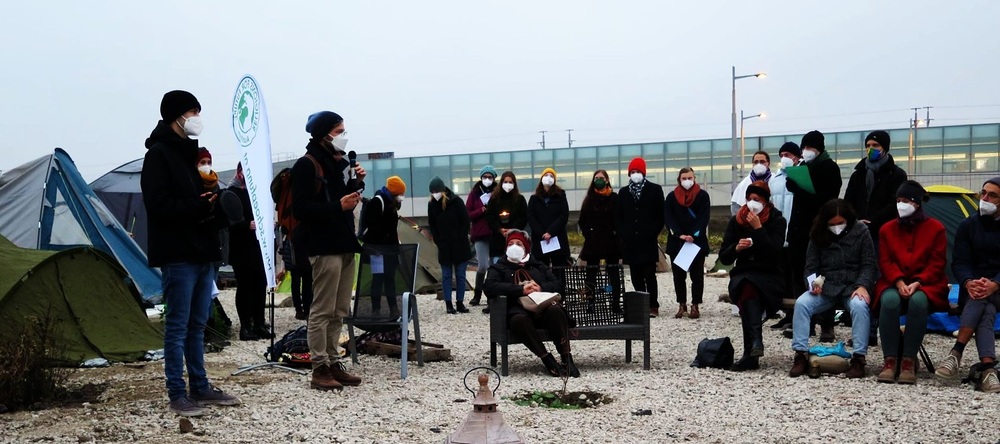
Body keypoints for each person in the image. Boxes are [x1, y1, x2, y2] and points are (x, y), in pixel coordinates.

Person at [141, 90, 240, 416]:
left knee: (198, 324)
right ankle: (177, 392)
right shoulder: (158, 155)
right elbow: (157, 204)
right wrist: (197, 206)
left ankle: (200, 386)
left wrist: (215, 202)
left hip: (203, 250)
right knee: (178, 325)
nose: (197, 118)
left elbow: (202, 196)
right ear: (176, 116)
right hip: (177, 252)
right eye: (193, 112)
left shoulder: (195, 154)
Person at [291, 110, 366, 391]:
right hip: (323, 245)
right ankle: (319, 366)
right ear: (324, 134)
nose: (343, 137)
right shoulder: (307, 165)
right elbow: (301, 209)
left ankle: (334, 361)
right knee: (322, 309)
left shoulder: (339, 163)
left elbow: (342, 198)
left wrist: (356, 184)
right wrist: (338, 206)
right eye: (339, 131)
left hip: (345, 242)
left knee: (339, 309)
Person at [789, 199, 877, 379]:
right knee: (802, 304)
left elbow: (869, 264)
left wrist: (863, 285)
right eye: (832, 224)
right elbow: (810, 266)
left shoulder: (862, 232)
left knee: (860, 307)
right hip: (826, 287)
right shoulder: (817, 233)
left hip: (853, 286)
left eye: (840, 223)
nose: (836, 227)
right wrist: (813, 284)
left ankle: (859, 358)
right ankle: (800, 354)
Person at [874, 181, 948, 384]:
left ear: (916, 203)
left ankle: (908, 359)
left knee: (919, 302)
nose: (900, 205)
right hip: (892, 282)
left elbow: (937, 263)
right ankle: (890, 360)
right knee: (888, 301)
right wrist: (898, 281)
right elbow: (885, 261)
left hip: (927, 284)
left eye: (905, 201)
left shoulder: (936, 229)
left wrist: (918, 282)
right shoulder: (887, 229)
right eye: (898, 201)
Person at [934, 177, 1000, 392]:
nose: (985, 199)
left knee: (982, 299)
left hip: (998, 288)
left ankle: (956, 352)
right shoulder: (968, 225)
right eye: (983, 193)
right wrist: (969, 282)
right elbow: (959, 262)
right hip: (973, 288)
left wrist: (995, 283)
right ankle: (988, 368)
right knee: (985, 306)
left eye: (992, 195)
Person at [482, 230, 579, 377]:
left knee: (556, 310)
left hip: (543, 309)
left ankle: (567, 358)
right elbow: (490, 287)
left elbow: (558, 285)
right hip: (517, 311)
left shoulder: (538, 265)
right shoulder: (499, 267)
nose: (514, 246)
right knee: (519, 320)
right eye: (511, 244)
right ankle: (547, 360)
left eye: (519, 243)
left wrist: (541, 287)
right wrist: (520, 290)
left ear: (526, 247)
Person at [719, 181, 787, 371]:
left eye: (756, 200)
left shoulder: (777, 220)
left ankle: (751, 351)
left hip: (769, 273)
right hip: (743, 272)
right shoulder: (737, 220)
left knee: (748, 288)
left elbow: (774, 252)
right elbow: (724, 257)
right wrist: (736, 248)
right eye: (748, 199)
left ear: (765, 201)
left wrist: (758, 229)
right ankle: (755, 343)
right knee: (746, 285)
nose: (751, 203)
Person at [785, 130, 842, 342]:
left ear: (819, 149)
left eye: (810, 148)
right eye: (804, 148)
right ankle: (804, 323)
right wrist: (793, 182)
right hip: (799, 230)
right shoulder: (802, 167)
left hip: (819, 229)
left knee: (821, 276)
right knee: (800, 275)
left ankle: (827, 324)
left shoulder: (830, 168)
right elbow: (795, 190)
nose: (806, 152)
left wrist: (802, 189)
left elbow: (828, 197)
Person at [227, 163, 273, 341]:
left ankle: (259, 323)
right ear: (239, 172)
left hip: (259, 247)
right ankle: (245, 326)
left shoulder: (259, 192)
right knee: (245, 287)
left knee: (260, 286)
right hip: (241, 248)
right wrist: (247, 224)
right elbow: (229, 222)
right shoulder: (232, 192)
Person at [615, 157, 664, 317]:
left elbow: (660, 215)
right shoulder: (623, 192)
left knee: (650, 274)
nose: (635, 174)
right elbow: (619, 217)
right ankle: (642, 304)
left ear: (644, 172)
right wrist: (624, 234)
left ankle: (653, 305)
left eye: (638, 171)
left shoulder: (655, 190)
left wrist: (653, 231)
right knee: (635, 275)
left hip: (648, 240)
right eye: (633, 172)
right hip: (630, 242)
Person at [844, 130, 908, 253]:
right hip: (858, 231)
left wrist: (872, 221)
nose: (870, 149)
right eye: (868, 146)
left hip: (884, 231)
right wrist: (857, 221)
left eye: (875, 145)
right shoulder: (858, 174)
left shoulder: (896, 174)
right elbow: (848, 202)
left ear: (885, 148)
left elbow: (894, 203)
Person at [664, 168, 710, 319]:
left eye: (689, 177)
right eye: (684, 178)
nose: (687, 181)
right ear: (679, 179)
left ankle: (695, 305)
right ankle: (681, 304)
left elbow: (704, 217)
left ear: (694, 178)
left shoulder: (703, 196)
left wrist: (693, 234)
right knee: (678, 276)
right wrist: (679, 234)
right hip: (678, 242)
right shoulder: (671, 197)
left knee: (697, 276)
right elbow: (669, 218)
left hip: (696, 242)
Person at [360, 176, 406, 318]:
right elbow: (373, 226)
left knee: (389, 278)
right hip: (378, 251)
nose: (401, 197)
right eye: (400, 194)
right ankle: (376, 309)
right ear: (394, 192)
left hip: (390, 250)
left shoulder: (390, 203)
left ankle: (393, 308)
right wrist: (381, 243)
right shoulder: (378, 202)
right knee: (378, 279)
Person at [428, 176, 474, 314]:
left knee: (460, 275)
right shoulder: (431, 205)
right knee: (446, 276)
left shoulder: (456, 201)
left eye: (436, 190)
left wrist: (461, 236)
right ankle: (448, 303)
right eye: (432, 191)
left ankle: (460, 302)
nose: (434, 193)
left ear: (443, 190)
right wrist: (437, 239)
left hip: (459, 245)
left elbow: (465, 220)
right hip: (444, 245)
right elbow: (432, 224)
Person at [578, 170, 622, 310]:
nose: (598, 180)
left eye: (601, 178)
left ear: (607, 180)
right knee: (591, 274)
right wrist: (588, 233)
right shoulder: (589, 198)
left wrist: (616, 233)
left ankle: (615, 303)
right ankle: (590, 303)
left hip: (611, 241)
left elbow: (620, 219)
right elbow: (582, 220)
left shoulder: (615, 198)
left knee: (614, 273)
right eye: (596, 178)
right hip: (593, 242)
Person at [768, 142, 801, 327]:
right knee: (783, 277)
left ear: (796, 156)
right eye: (781, 154)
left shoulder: (801, 177)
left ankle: (800, 315)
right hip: (780, 235)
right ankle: (788, 314)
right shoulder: (775, 179)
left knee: (797, 276)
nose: (784, 157)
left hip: (796, 233)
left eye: (788, 154)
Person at [466, 165, 498, 308]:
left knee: (495, 266)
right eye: (485, 177)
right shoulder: (474, 194)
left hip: (495, 234)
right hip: (480, 234)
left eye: (490, 177)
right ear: (481, 178)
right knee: (483, 266)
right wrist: (481, 210)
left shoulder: (498, 193)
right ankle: (477, 294)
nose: (487, 179)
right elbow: (468, 214)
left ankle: (493, 296)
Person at [528, 167, 571, 268]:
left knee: (559, 270)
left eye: (551, 176)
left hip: (557, 238)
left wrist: (550, 232)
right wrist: (542, 233)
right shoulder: (534, 199)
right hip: (540, 239)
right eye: (546, 175)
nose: (548, 178)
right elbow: (531, 217)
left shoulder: (561, 196)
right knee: (542, 271)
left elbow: (564, 215)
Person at [486, 171, 529, 263]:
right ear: (501, 183)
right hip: (497, 240)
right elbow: (490, 216)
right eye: (505, 182)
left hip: (515, 239)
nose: (508, 184)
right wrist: (499, 229)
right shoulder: (494, 199)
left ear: (514, 184)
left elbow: (523, 217)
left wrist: (512, 229)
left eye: (510, 182)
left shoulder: (520, 199)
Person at [730, 151, 773, 216]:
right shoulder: (744, 184)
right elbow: (736, 206)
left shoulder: (775, 180)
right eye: (756, 162)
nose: (759, 164)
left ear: (768, 163)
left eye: (762, 162)